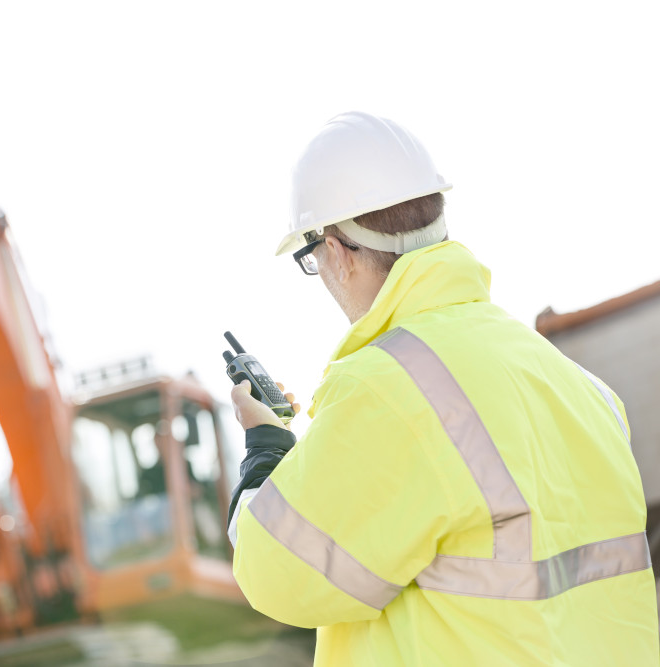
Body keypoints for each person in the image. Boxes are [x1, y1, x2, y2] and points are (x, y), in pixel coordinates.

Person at [226, 111, 659, 666]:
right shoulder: (576, 383)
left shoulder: (388, 387)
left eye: (311, 260)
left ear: (333, 249)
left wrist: (266, 452)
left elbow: (279, 572)